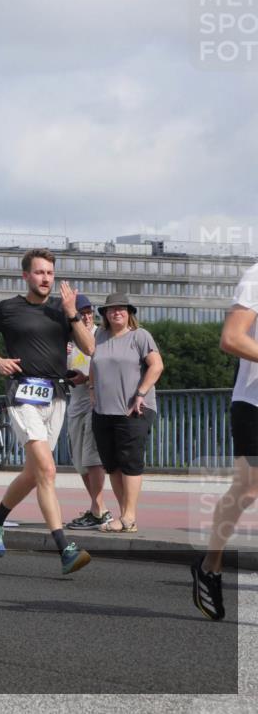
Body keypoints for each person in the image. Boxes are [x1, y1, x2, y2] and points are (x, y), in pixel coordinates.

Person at [0, 248, 95, 575]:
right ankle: (64, 547)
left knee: (35, 473)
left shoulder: (61, 310)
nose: (45, 279)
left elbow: (89, 347)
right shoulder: (8, 309)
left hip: (55, 395)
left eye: (50, 274)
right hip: (22, 393)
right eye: (39, 273)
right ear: (25, 275)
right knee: (48, 470)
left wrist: (71, 313)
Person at [192, 261, 258, 621]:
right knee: (248, 490)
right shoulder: (256, 277)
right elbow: (231, 338)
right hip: (254, 401)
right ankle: (210, 563)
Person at [89, 294, 163, 535]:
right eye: (111, 310)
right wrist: (91, 389)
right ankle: (124, 516)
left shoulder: (139, 336)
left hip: (133, 410)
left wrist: (140, 393)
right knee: (112, 465)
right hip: (103, 411)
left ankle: (129, 516)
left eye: (121, 309)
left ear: (129, 312)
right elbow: (94, 365)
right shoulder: (99, 337)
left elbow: (157, 365)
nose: (116, 313)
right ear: (105, 315)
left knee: (130, 461)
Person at [64, 295, 112, 530]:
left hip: (95, 403)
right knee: (80, 462)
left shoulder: (100, 335)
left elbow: (107, 366)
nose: (86, 315)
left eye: (88, 311)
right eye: (80, 312)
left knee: (93, 459)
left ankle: (98, 509)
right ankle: (97, 508)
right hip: (74, 404)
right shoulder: (68, 339)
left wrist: (86, 379)